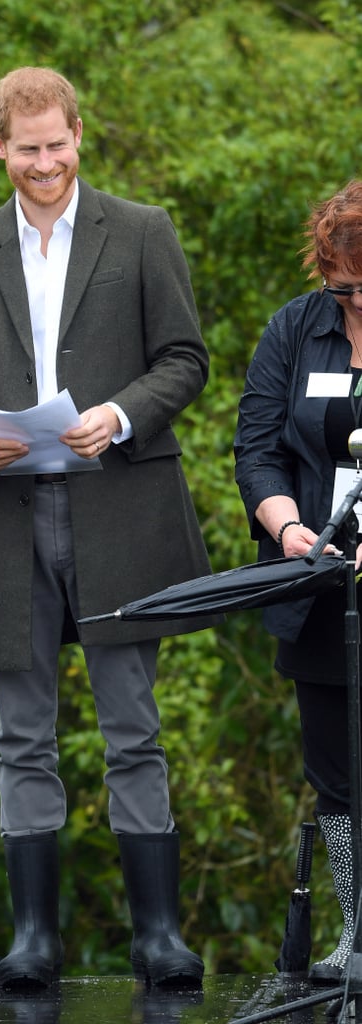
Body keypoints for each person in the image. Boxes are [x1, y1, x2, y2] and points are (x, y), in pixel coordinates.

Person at [0, 67, 218, 989]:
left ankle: (158, 937)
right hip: (10, 514)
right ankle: (35, 941)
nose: (44, 162)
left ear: (79, 136)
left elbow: (185, 357)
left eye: (58, 144)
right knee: (23, 735)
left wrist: (122, 414)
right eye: (27, 148)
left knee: (133, 725)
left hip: (120, 503)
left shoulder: (141, 230)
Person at [235, 179, 362, 984]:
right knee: (336, 773)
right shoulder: (296, 326)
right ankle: (358, 934)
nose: (349, 303)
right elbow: (258, 447)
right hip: (321, 593)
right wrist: (288, 528)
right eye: (338, 286)